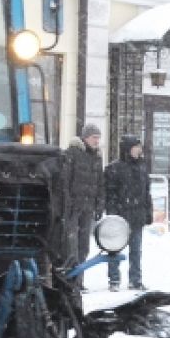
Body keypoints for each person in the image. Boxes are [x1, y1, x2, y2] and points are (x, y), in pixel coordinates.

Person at [105, 134, 153, 291]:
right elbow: (110, 194)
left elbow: (146, 192)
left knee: (136, 250)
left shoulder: (142, 167)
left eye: (139, 147)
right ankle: (114, 280)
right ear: (127, 149)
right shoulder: (114, 168)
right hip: (120, 215)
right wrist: (113, 213)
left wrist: (148, 212)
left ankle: (135, 280)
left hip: (137, 215)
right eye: (135, 147)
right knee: (115, 248)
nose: (139, 150)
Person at [61, 123, 105, 288]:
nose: (97, 141)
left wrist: (99, 205)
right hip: (73, 207)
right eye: (94, 137)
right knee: (71, 246)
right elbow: (65, 181)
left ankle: (79, 280)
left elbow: (100, 183)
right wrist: (68, 204)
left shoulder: (97, 157)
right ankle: (70, 279)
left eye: (98, 138)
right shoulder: (72, 153)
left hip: (88, 208)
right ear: (86, 137)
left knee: (84, 247)